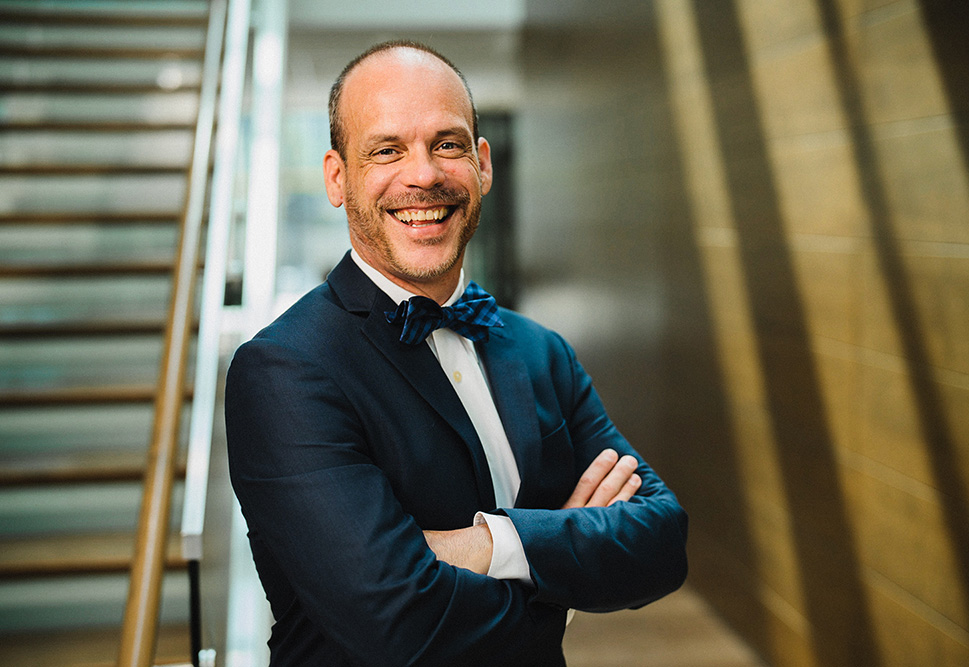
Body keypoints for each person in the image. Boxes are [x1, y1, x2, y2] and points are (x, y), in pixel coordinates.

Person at [225, 40, 688, 666]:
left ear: (483, 163)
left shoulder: (541, 351)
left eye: (447, 144)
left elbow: (661, 543)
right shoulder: (284, 371)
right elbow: (395, 624)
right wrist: (565, 566)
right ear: (338, 178)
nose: (423, 175)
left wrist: (490, 544)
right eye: (387, 150)